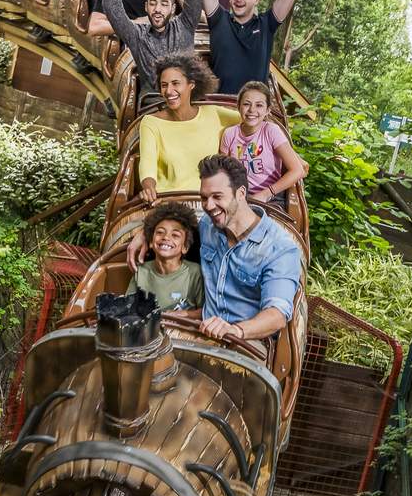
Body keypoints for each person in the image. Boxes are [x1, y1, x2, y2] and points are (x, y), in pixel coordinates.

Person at [127, 155, 301, 344]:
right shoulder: (208, 225)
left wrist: (236, 330)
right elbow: (174, 226)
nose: (209, 206)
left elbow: (277, 315)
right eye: (204, 198)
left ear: (241, 193)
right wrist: (146, 232)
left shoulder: (280, 248)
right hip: (200, 331)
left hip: (246, 339)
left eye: (217, 197)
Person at [137, 53, 241, 203]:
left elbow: (252, 118)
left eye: (175, 83)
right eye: (164, 85)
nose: (168, 91)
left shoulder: (213, 113)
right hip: (168, 200)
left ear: (191, 84)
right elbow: (147, 164)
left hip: (210, 201)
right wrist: (148, 188)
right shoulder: (150, 122)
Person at [219, 81, 306, 207]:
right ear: (238, 107)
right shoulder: (230, 134)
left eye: (259, 105)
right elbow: (224, 172)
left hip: (271, 196)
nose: (252, 110)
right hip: (238, 196)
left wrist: (266, 194)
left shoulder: (271, 131)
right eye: (246, 104)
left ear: (267, 110)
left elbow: (297, 170)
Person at [125, 202, 204, 315]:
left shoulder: (195, 272)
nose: (166, 237)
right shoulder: (141, 271)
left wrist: (183, 315)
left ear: (185, 247)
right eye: (160, 232)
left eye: (175, 235)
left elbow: (205, 312)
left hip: (182, 329)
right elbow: (128, 308)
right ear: (151, 242)